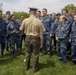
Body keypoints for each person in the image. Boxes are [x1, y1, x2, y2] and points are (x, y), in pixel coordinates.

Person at [20, 7, 45, 72]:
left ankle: (27, 67)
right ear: (35, 13)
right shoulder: (39, 21)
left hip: (27, 38)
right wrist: (41, 42)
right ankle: (35, 69)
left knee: (27, 54)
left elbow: (21, 29)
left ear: (30, 12)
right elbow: (41, 33)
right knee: (35, 54)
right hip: (35, 39)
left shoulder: (25, 20)